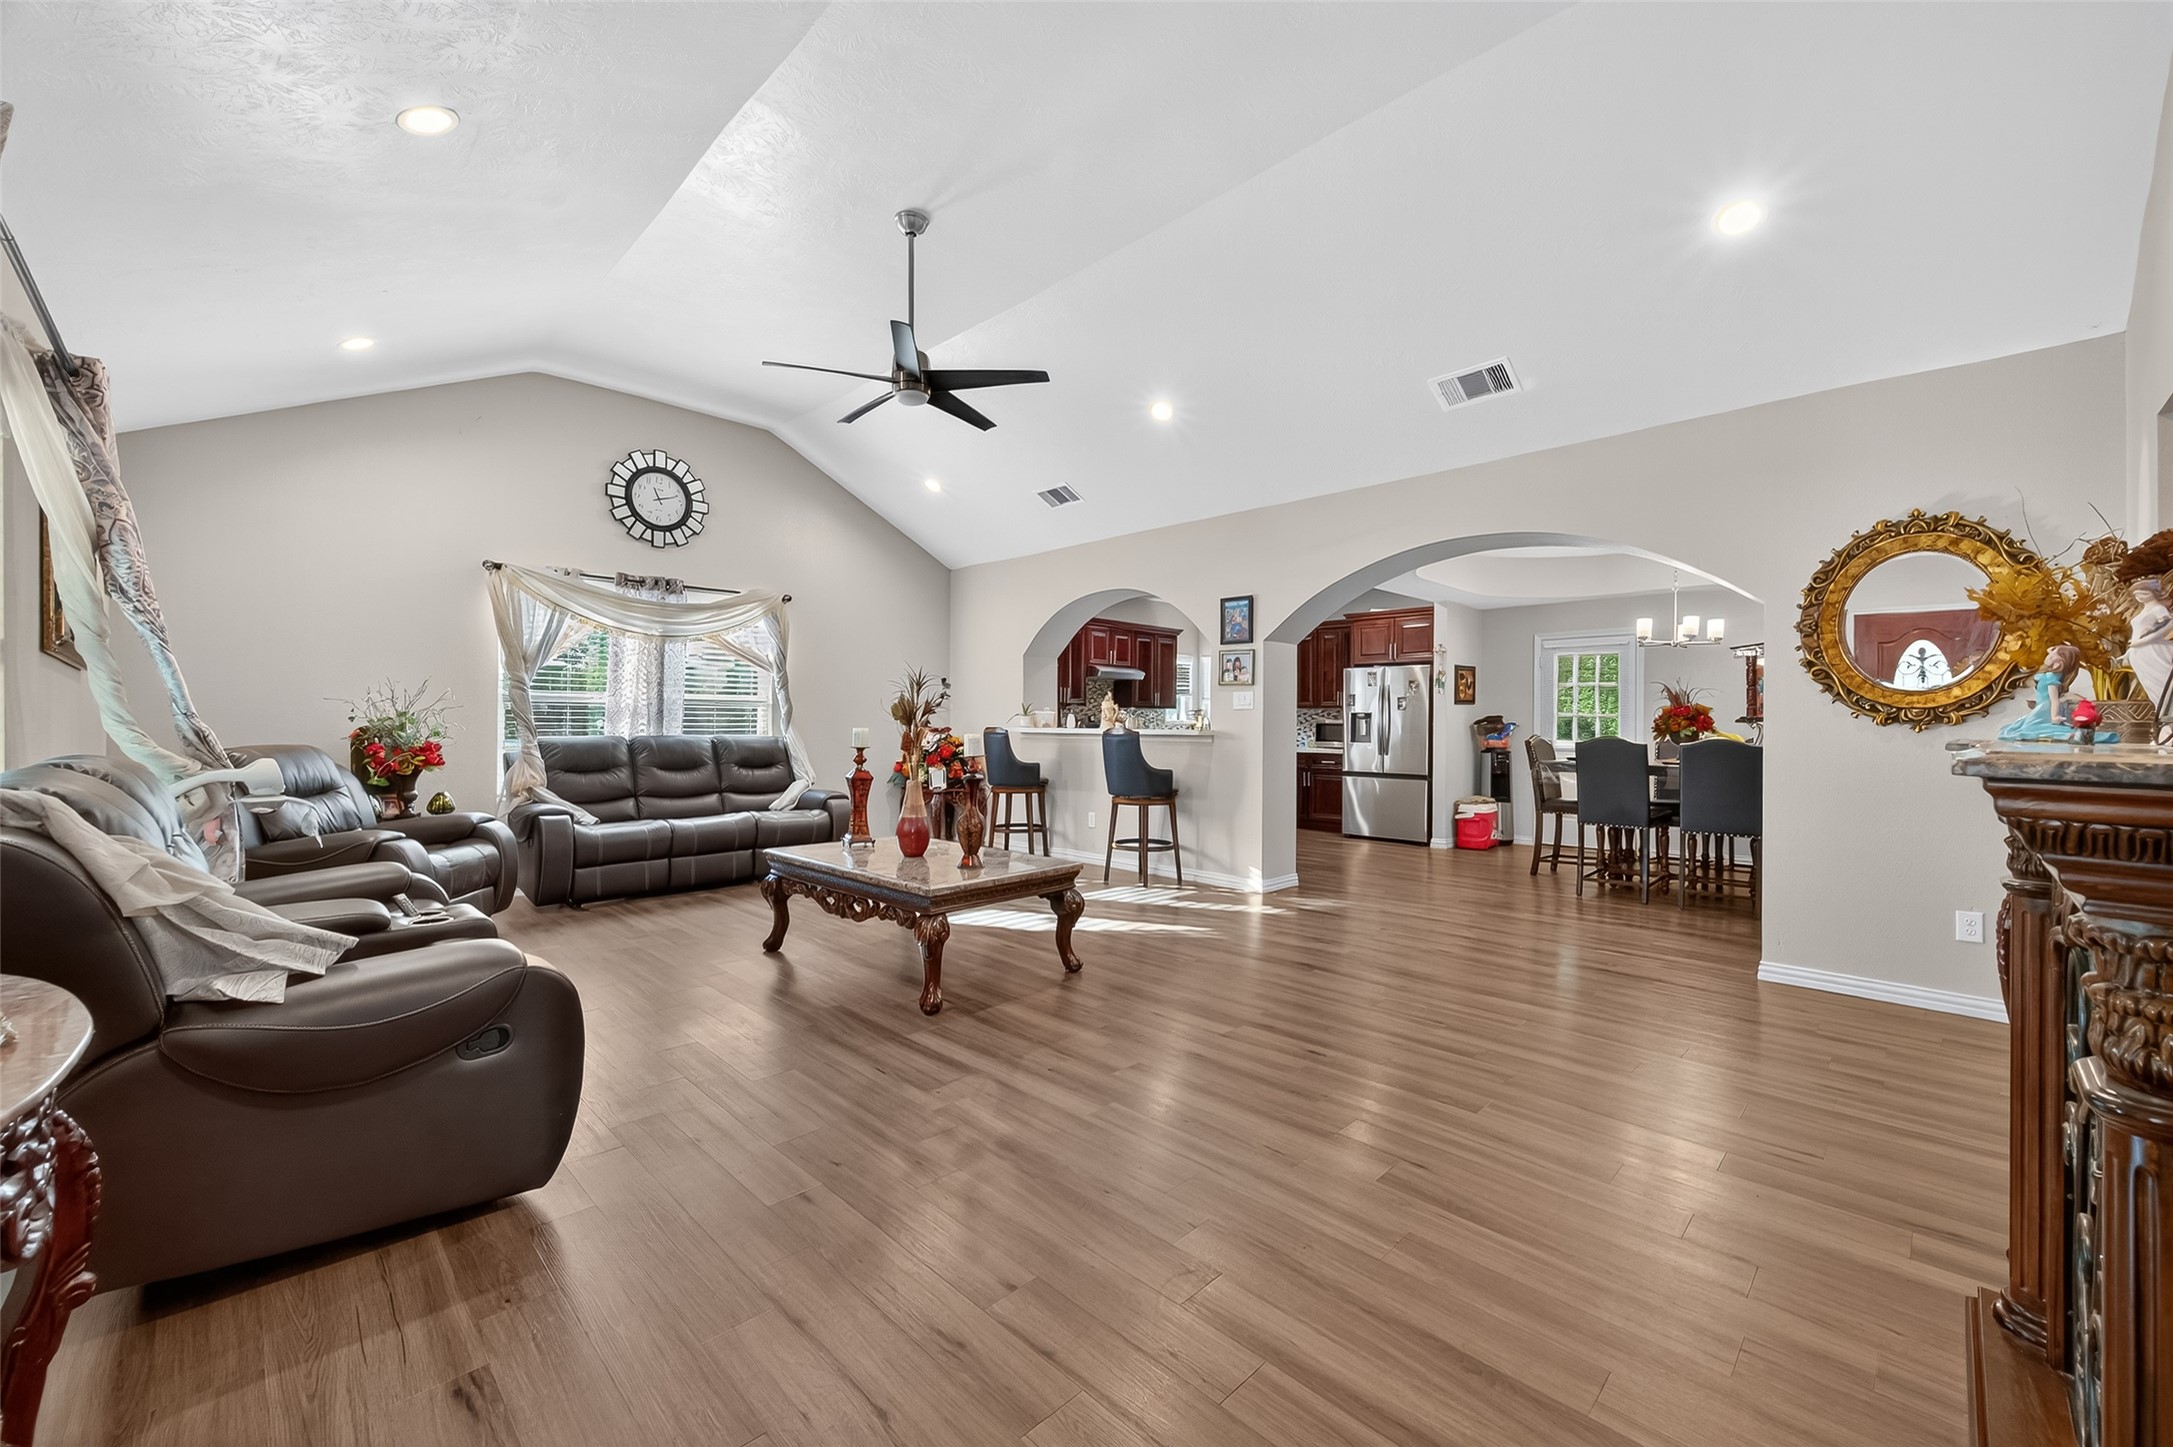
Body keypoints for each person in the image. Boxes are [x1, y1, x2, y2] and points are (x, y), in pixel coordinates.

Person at [1998, 643, 2118, 742]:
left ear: (2059, 663)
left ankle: (2074, 736)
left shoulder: (2051, 679)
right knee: (2021, 727)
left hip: (2045, 708)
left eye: (2052, 656)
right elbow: (2049, 648)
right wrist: (2060, 649)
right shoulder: (2048, 675)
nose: (2049, 655)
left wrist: (2054, 716)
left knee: (2030, 729)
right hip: (2041, 706)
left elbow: (2054, 700)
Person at [2124, 577, 2173, 742]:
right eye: (2136, 594)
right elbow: (2137, 633)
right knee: (2153, 691)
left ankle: (2169, 725)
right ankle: (2165, 728)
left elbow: (2168, 625)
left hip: (2154, 651)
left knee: (2164, 687)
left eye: (2142, 593)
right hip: (2140, 655)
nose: (2139, 596)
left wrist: (2142, 642)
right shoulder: (2144, 610)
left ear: (2152, 592)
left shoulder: (2158, 609)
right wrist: (2129, 653)